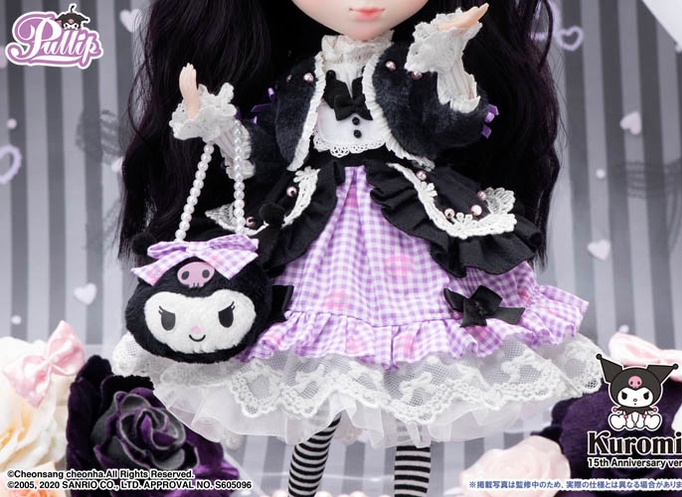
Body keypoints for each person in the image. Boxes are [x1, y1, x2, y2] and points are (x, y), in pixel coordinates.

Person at [115, 1, 603, 495]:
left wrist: (451, 63)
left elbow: (452, 127)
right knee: (317, 382)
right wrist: (216, 124)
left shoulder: (412, 68)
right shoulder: (300, 80)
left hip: (406, 223)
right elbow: (264, 156)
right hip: (321, 232)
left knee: (420, 386)